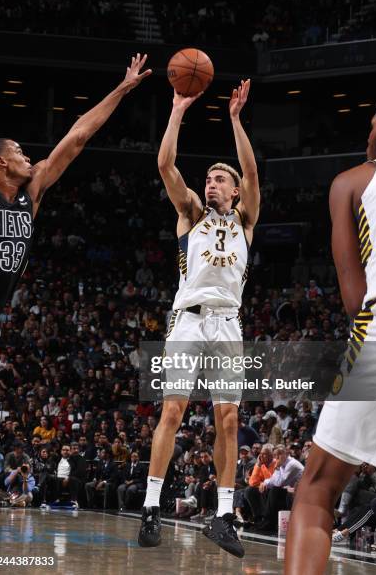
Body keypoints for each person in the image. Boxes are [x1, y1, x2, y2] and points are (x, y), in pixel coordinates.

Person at [0, 53, 151, 408]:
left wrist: (122, 88)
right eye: (18, 152)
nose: (27, 157)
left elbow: (78, 136)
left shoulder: (32, 192)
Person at [138, 79, 260, 559]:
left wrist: (234, 120)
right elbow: (165, 165)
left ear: (233, 190)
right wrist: (176, 111)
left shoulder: (246, 220)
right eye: (207, 178)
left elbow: (251, 171)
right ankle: (151, 506)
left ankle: (225, 515)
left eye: (218, 179)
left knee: (228, 419)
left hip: (229, 322)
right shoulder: (190, 212)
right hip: (188, 320)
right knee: (173, 410)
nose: (210, 183)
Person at [285, 100, 376, 574]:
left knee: (317, 489)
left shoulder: (352, 181)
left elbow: (354, 300)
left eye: (373, 128)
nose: (367, 136)